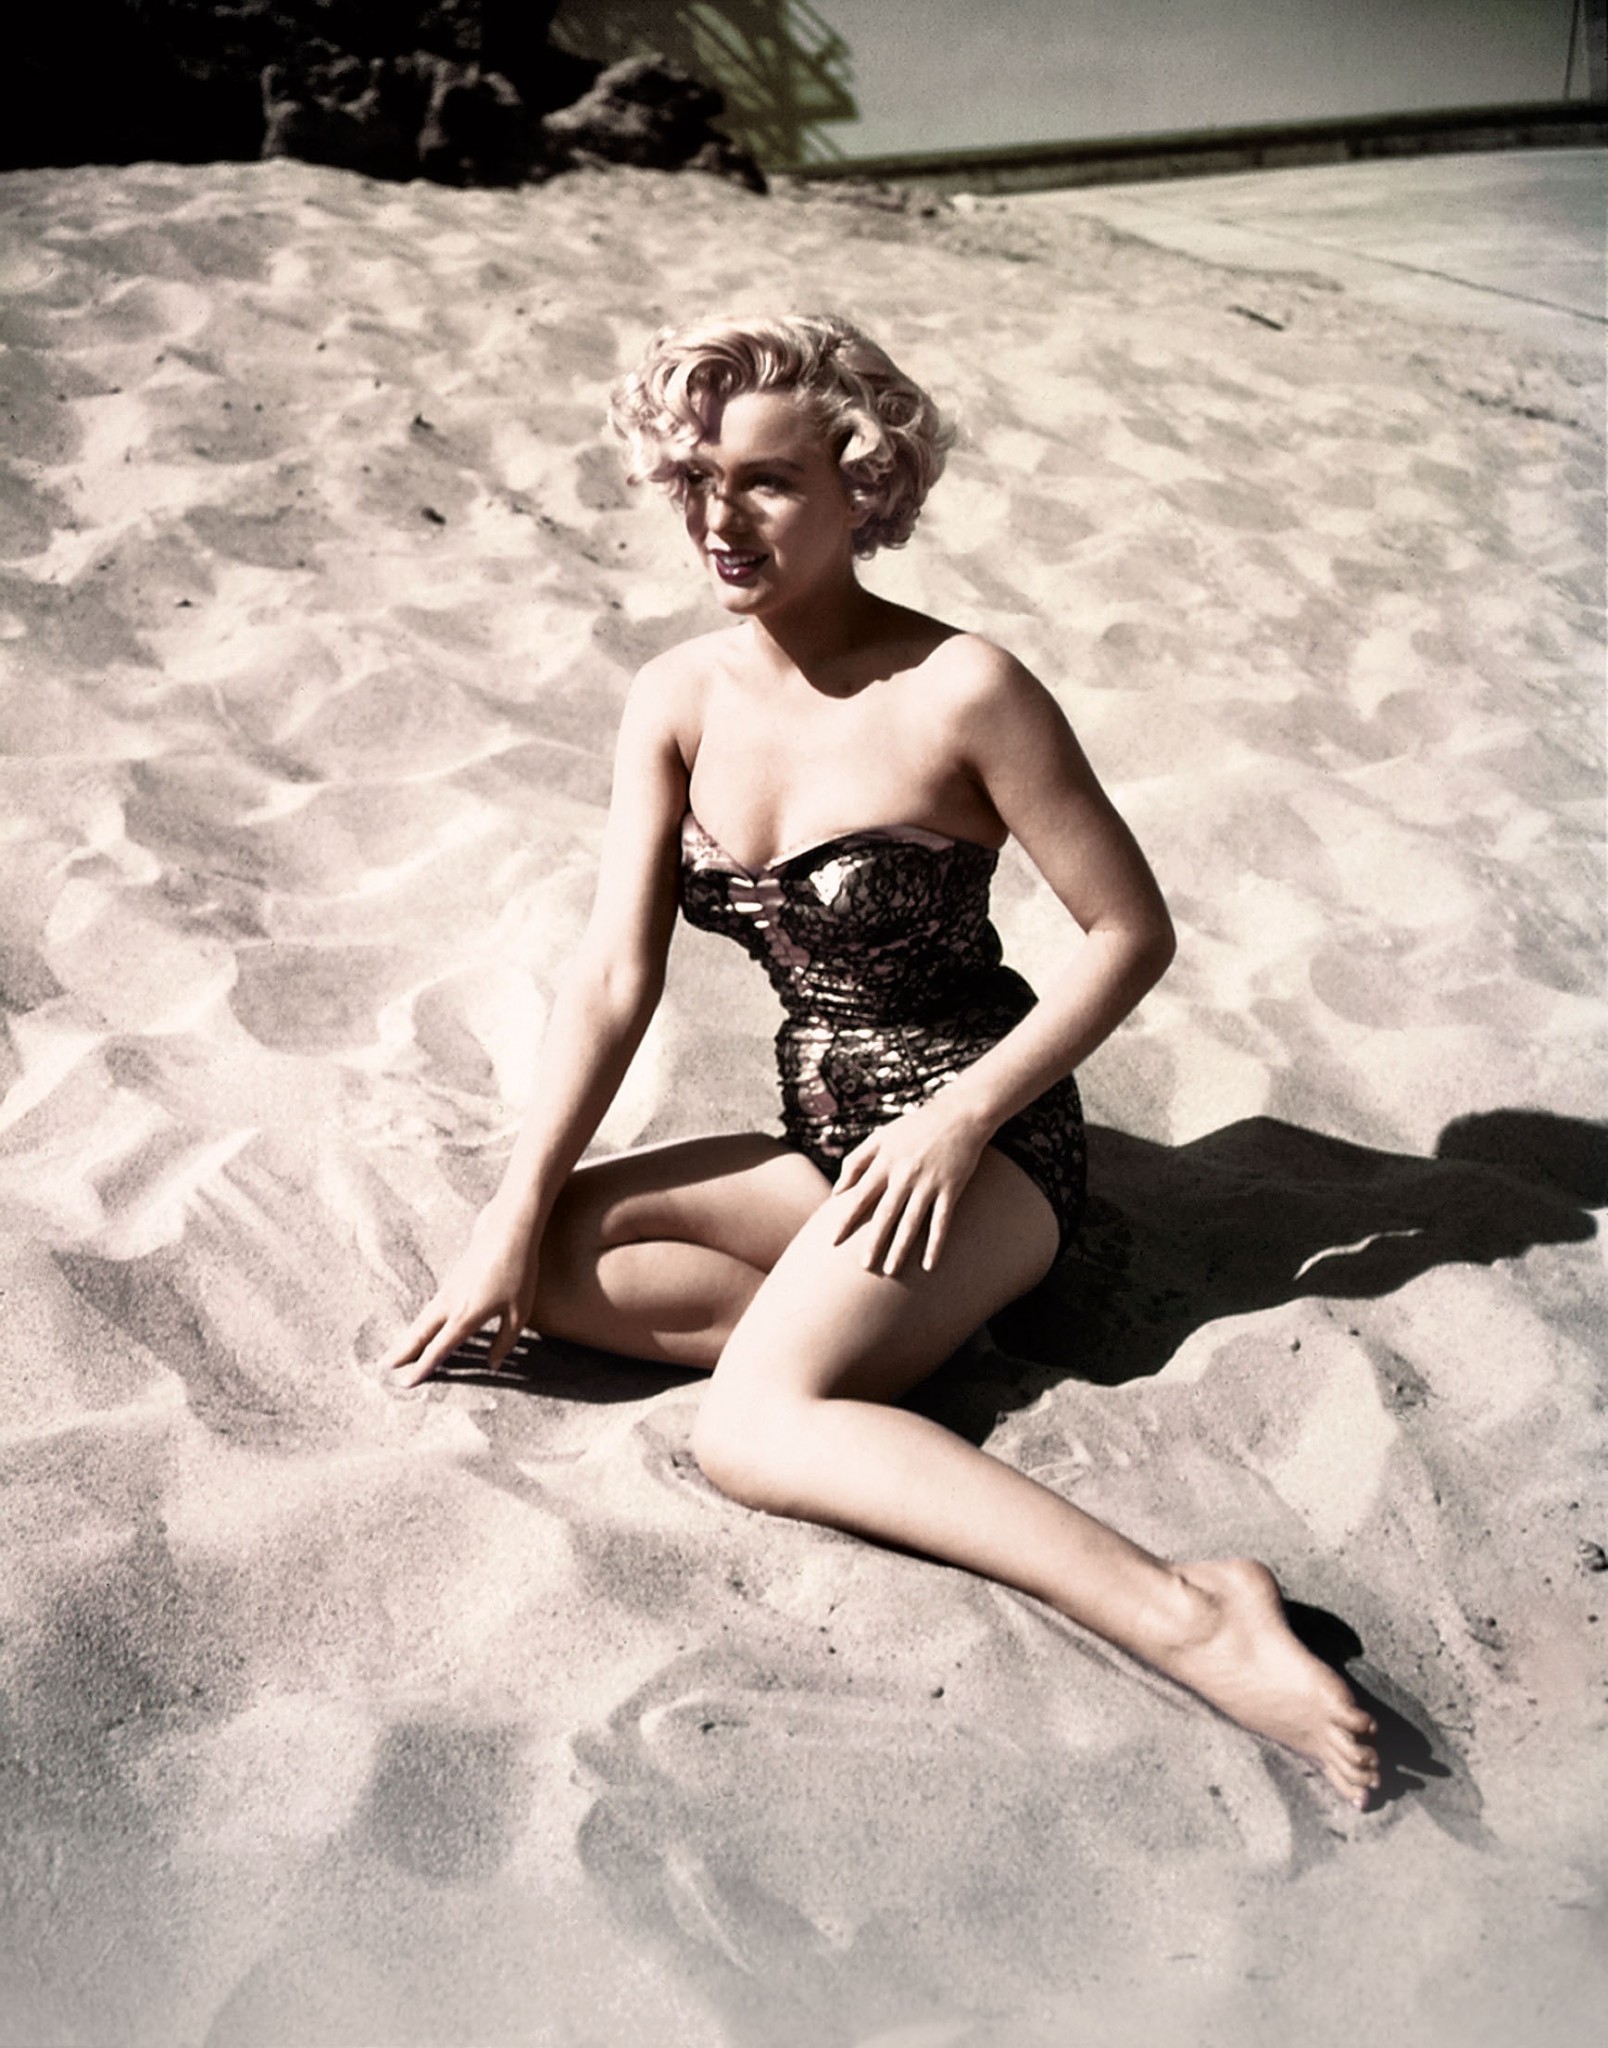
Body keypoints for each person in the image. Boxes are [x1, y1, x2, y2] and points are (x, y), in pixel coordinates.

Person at [381, 312, 1380, 1809]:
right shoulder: (676, 698)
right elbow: (613, 975)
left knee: (750, 1434)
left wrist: (964, 1120)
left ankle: (1195, 1612)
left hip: (984, 1149)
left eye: (767, 482)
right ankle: (860, 1347)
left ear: (863, 485)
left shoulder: (965, 689)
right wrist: (509, 1208)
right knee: (555, 1265)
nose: (721, 520)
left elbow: (1130, 933)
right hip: (822, 1144)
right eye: (696, 480)